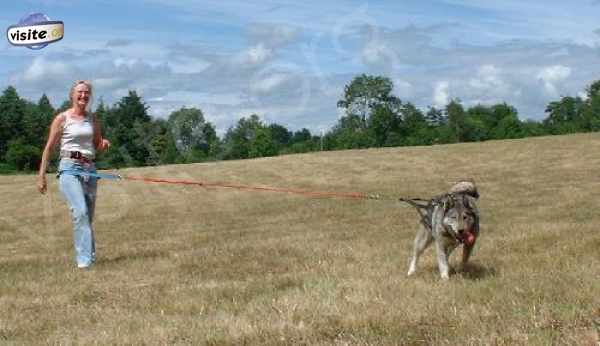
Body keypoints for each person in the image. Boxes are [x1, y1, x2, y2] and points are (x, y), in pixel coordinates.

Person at [37, 80, 111, 269]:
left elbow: (96, 144)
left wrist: (102, 144)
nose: (83, 96)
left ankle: (90, 258)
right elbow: (49, 148)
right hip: (69, 167)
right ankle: (84, 262)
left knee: (88, 216)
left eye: (86, 93)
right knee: (81, 212)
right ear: (72, 95)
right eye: (80, 92)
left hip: (89, 169)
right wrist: (41, 175)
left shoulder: (93, 119)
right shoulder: (62, 118)